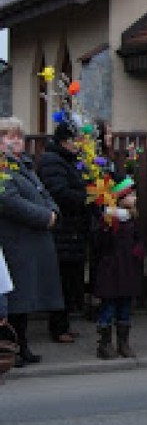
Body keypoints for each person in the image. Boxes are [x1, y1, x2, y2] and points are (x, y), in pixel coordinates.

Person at [0, 117, 64, 366]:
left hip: (32, 240)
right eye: (9, 136)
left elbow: (43, 193)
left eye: (19, 136)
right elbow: (9, 202)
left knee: (26, 298)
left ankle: (22, 345)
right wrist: (44, 217)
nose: (16, 141)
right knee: (17, 298)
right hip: (15, 241)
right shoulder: (3, 170)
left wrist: (53, 212)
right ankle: (12, 347)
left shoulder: (23, 165)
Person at [36, 119, 89, 342]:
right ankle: (58, 327)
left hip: (72, 230)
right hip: (63, 230)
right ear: (65, 141)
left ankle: (63, 324)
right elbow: (59, 192)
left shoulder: (69, 159)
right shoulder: (52, 161)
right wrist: (87, 198)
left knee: (69, 280)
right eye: (76, 140)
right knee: (62, 280)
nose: (79, 144)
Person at [91, 177, 144, 358]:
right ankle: (104, 344)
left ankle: (123, 342)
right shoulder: (109, 219)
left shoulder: (131, 218)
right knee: (109, 306)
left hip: (128, 267)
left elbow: (137, 238)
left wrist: (138, 250)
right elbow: (100, 243)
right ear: (120, 198)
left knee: (125, 307)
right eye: (131, 195)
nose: (135, 198)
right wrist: (107, 228)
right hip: (112, 269)